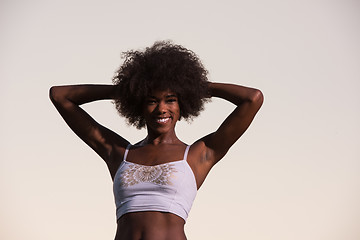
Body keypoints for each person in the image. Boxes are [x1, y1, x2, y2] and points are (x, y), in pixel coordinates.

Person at [49, 41, 263, 240]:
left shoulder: (200, 154)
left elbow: (252, 98)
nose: (162, 108)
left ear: (182, 105)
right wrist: (128, 90)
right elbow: (60, 95)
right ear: (139, 106)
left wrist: (192, 86)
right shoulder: (119, 153)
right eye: (151, 101)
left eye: (170, 100)